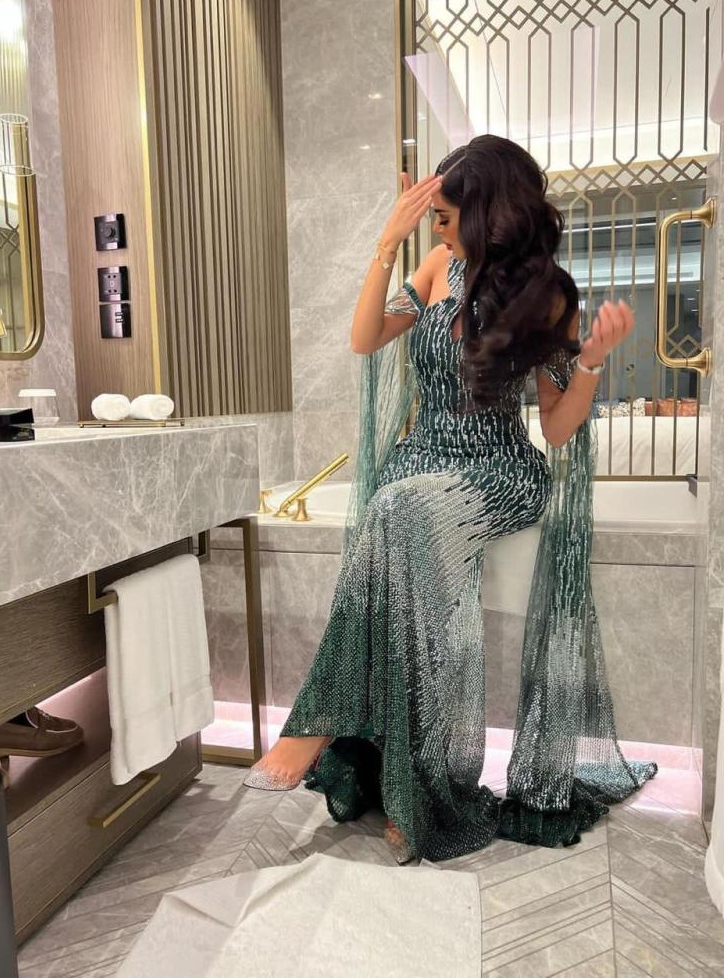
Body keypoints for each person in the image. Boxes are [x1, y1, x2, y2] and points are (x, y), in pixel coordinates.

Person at [243, 134, 657, 865]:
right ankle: (415, 788)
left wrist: (590, 362)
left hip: (498, 469)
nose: (435, 225)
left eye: (444, 214)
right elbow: (365, 338)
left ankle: (315, 728)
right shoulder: (436, 266)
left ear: (489, 212)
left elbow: (556, 430)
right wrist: (388, 242)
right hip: (422, 462)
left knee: (393, 509)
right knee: (405, 551)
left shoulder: (548, 294)